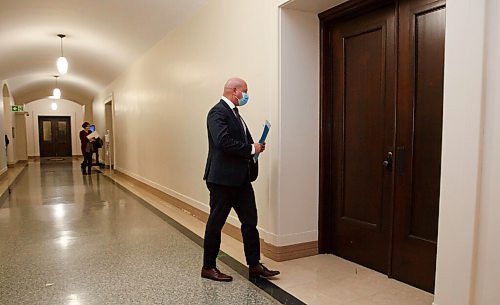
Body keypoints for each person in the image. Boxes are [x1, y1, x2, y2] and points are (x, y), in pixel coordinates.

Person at [201, 77, 280, 282]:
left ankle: (254, 265)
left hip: (241, 179)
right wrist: (250, 148)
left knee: (250, 222)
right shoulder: (217, 112)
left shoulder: (236, 114)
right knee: (216, 223)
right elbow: (222, 141)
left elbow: (239, 142)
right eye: (244, 91)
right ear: (234, 90)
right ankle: (208, 267)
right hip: (222, 180)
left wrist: (254, 147)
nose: (246, 95)